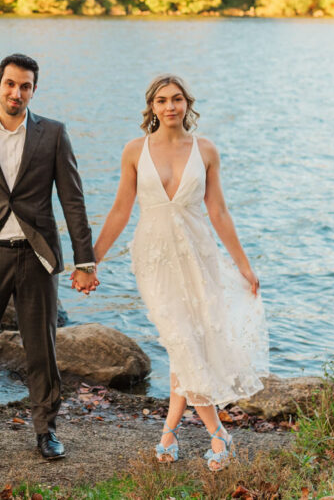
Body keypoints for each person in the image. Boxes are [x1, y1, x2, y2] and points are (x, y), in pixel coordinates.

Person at [83, 74, 268, 471]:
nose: (170, 106)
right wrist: (92, 259)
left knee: (189, 344)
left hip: (198, 254)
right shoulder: (135, 151)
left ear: (188, 104)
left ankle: (169, 432)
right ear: (151, 106)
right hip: (155, 258)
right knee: (180, 338)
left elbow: (218, 211)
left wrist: (242, 264)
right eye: (162, 100)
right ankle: (219, 434)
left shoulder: (206, 150)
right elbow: (120, 209)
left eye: (177, 99)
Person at [0, 53, 99, 462]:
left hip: (37, 258)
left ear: (34, 90)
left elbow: (73, 202)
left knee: (41, 349)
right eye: (10, 84)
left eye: (25, 86)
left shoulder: (54, 134)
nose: (17, 92)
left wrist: (85, 261)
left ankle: (46, 431)